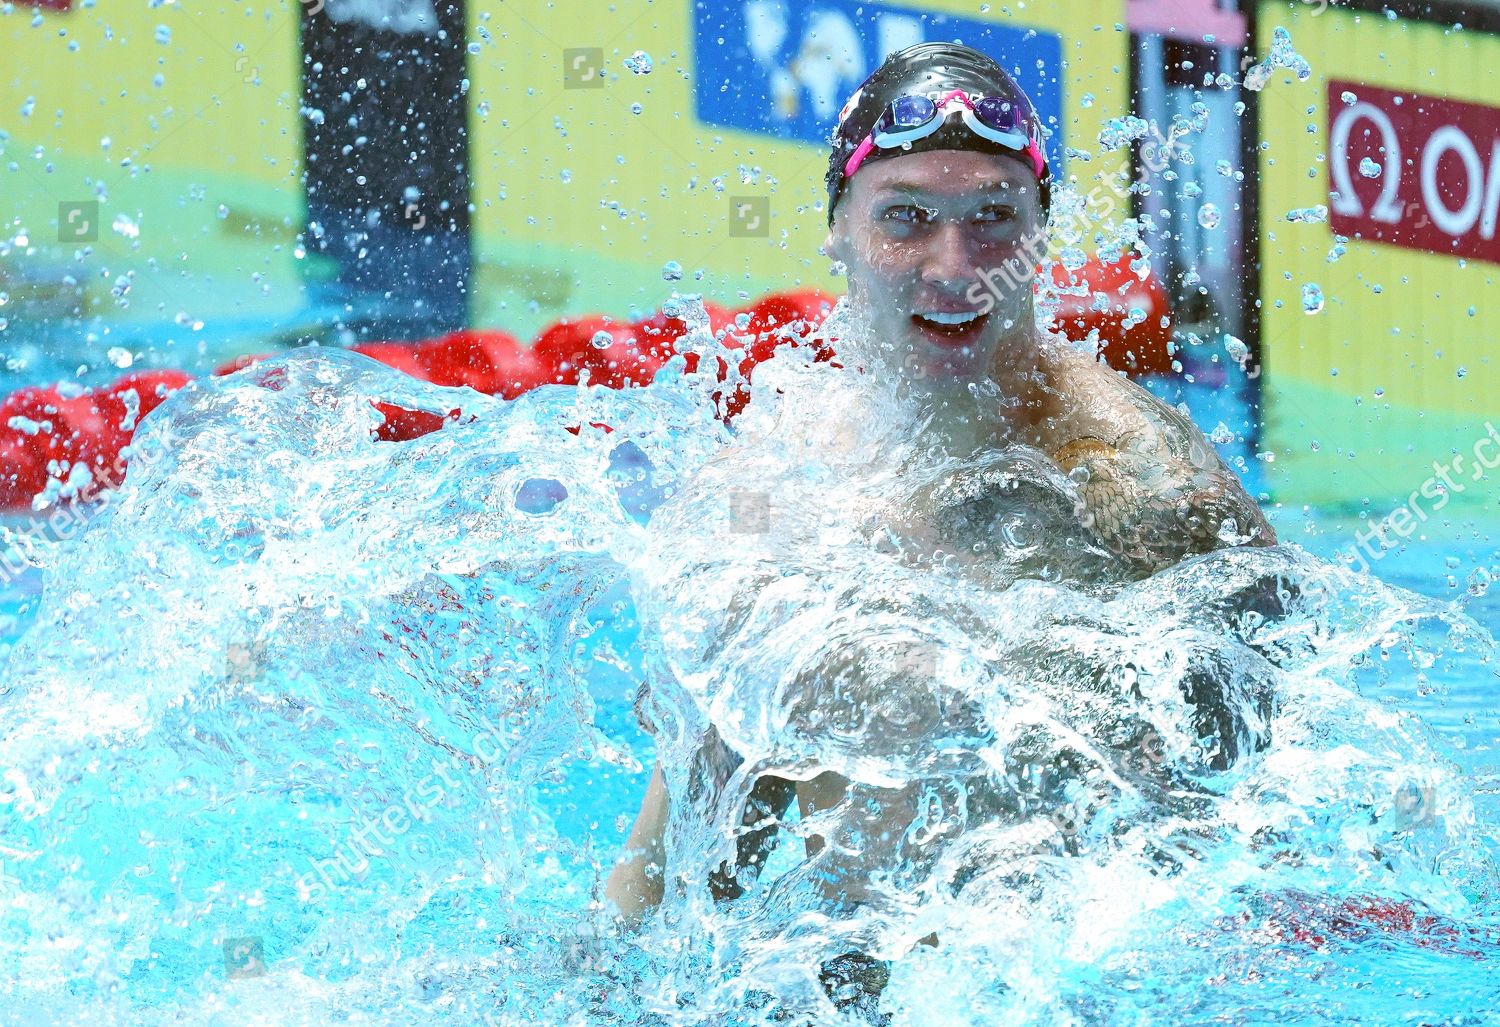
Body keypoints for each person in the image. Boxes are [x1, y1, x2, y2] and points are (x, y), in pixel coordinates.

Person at [605, 40, 1280, 1016]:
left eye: (994, 220)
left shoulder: (1142, 495)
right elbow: (672, 869)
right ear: (838, 231)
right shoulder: (771, 484)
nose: (953, 267)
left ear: (1042, 238)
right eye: (907, 218)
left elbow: (1244, 851)